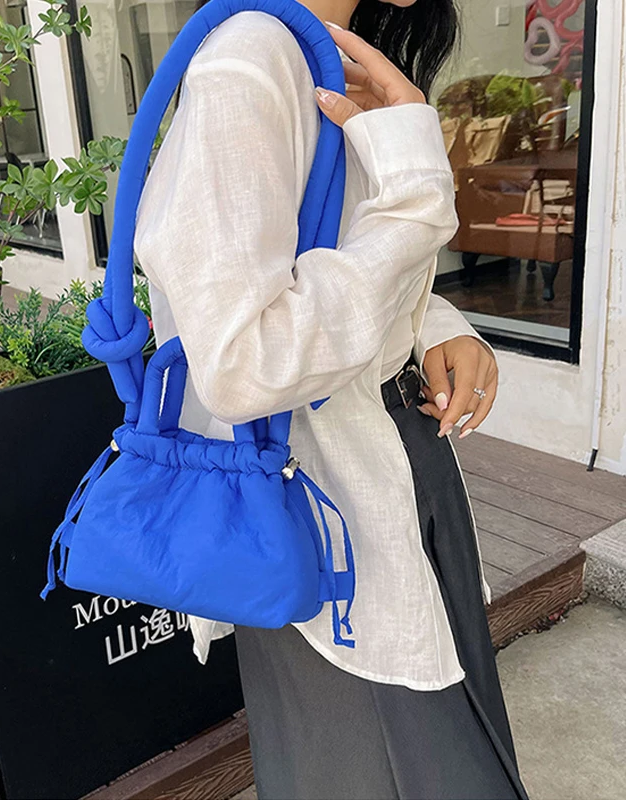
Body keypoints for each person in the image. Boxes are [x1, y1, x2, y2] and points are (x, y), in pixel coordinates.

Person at [133, 0, 530, 797]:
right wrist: (416, 195)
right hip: (322, 507)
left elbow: (330, 253)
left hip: (388, 467)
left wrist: (434, 326)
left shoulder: (324, 54)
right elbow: (244, 361)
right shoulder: (250, 62)